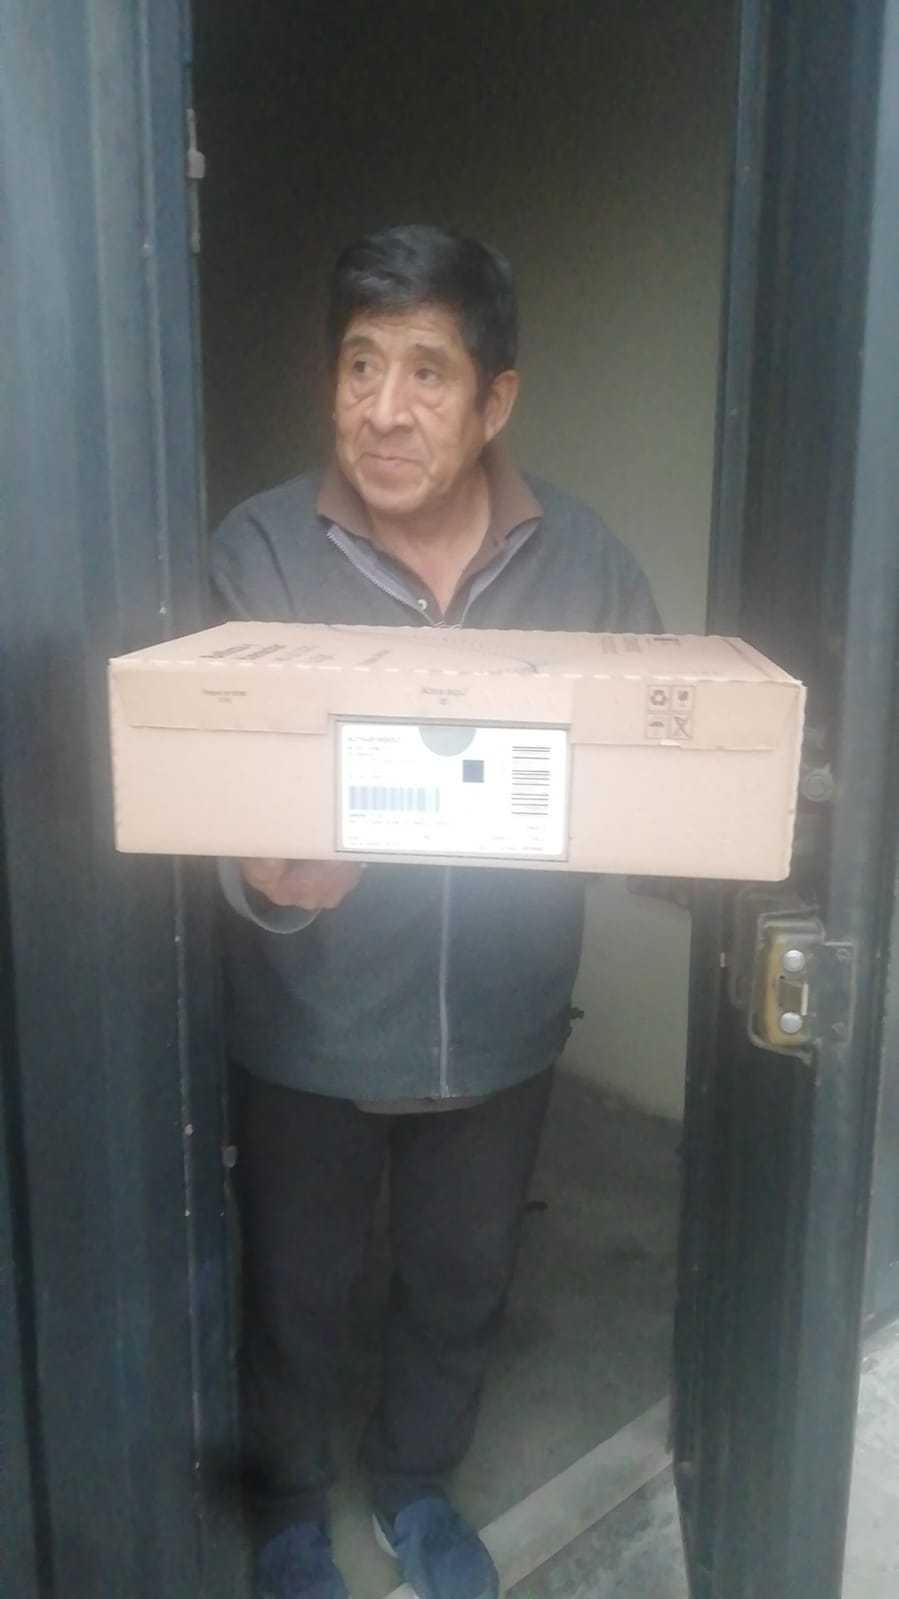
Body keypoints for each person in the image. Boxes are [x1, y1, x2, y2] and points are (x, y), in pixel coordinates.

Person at [212, 224, 660, 1599]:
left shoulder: (582, 562)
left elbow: (646, 755)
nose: (384, 409)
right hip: (314, 1022)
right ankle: (290, 1511)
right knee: (297, 1289)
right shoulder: (260, 552)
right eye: (359, 365)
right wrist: (258, 876)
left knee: (461, 1282)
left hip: (503, 1022)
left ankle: (415, 1487)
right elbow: (209, 786)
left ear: (495, 399)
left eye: (426, 370)